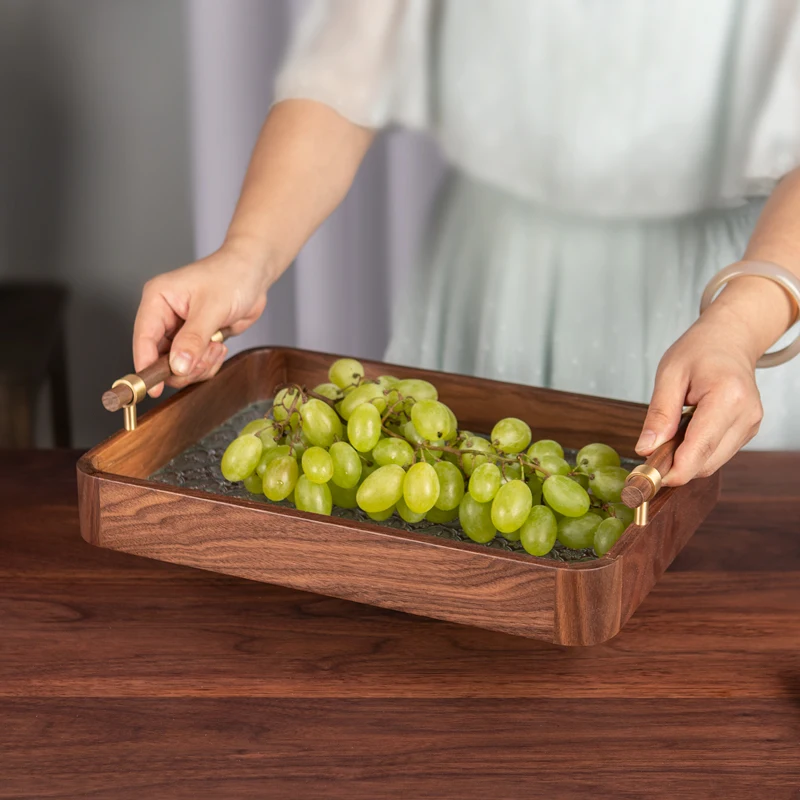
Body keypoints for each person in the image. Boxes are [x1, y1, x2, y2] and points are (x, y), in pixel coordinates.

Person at [133, 0, 800, 486]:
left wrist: (740, 326)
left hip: (724, 301)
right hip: (487, 276)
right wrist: (245, 254)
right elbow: (346, 71)